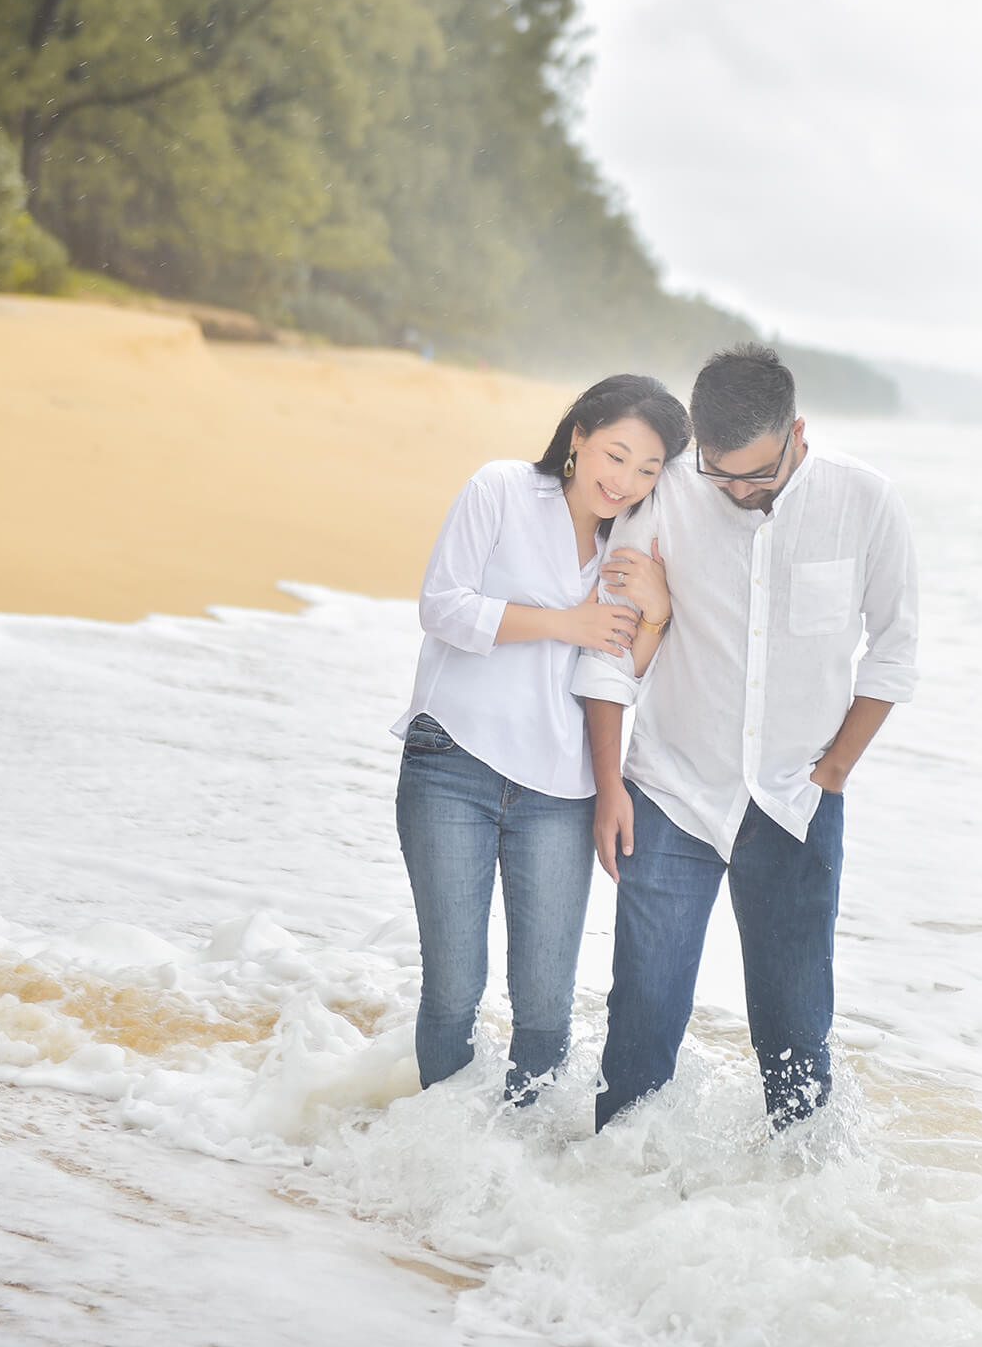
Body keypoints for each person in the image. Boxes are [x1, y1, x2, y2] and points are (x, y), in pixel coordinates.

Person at [575, 343, 918, 1131]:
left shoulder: (865, 500)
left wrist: (834, 770)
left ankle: (795, 1223)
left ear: (797, 433)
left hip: (797, 803)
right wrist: (609, 787)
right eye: (719, 472)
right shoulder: (672, 491)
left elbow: (895, 649)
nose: (735, 490)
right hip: (671, 793)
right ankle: (608, 1210)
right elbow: (610, 651)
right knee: (641, 1027)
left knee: (796, 1044)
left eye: (756, 475)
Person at [393, 373, 690, 1104]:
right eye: (616, 455)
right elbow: (442, 606)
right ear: (579, 435)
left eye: (648, 469)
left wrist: (656, 616)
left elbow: (616, 672)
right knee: (454, 990)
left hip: (561, 789)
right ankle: (436, 1158)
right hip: (452, 761)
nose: (624, 481)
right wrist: (564, 621)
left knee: (545, 1011)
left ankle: (520, 1173)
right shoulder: (499, 489)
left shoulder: (633, 548)